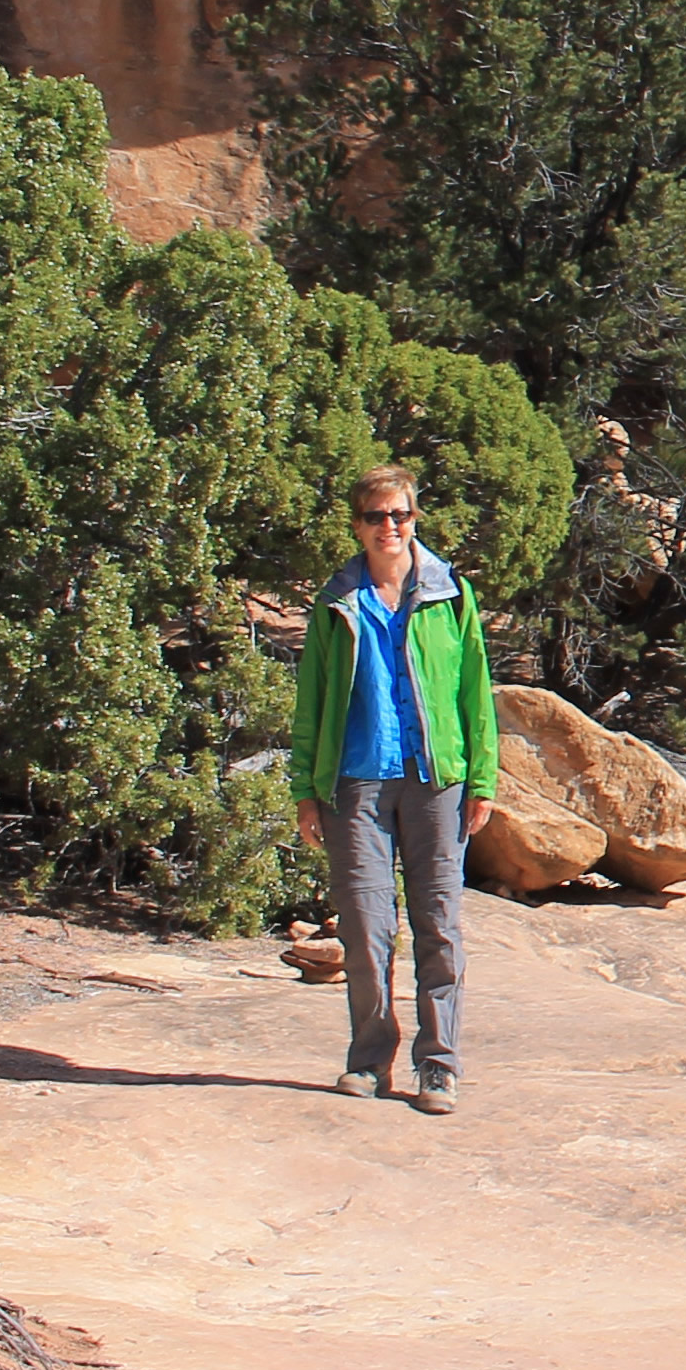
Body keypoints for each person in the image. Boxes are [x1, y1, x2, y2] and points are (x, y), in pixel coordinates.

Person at [285, 463, 502, 1114]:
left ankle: (438, 1065)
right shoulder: (335, 604)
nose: (390, 527)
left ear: (415, 519)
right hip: (355, 783)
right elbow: (312, 701)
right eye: (376, 516)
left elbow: (475, 692)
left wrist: (482, 779)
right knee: (365, 926)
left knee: (437, 923)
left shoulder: (450, 595)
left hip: (436, 782)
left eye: (400, 514)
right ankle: (368, 1060)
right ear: (357, 525)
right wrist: (304, 790)